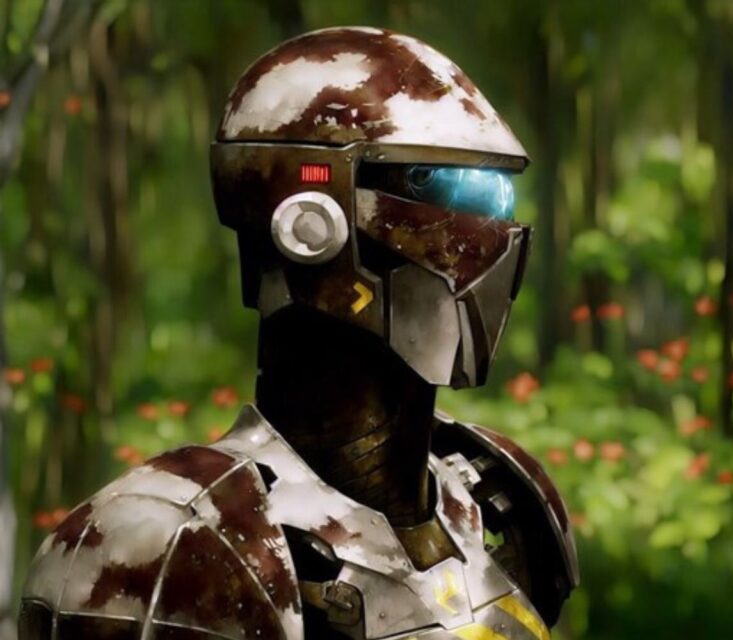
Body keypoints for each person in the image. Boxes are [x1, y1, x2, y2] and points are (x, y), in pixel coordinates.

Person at [18, 27, 577, 640]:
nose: (489, 227)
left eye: (499, 196)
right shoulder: (174, 539)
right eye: (437, 186)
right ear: (310, 218)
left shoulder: (494, 498)